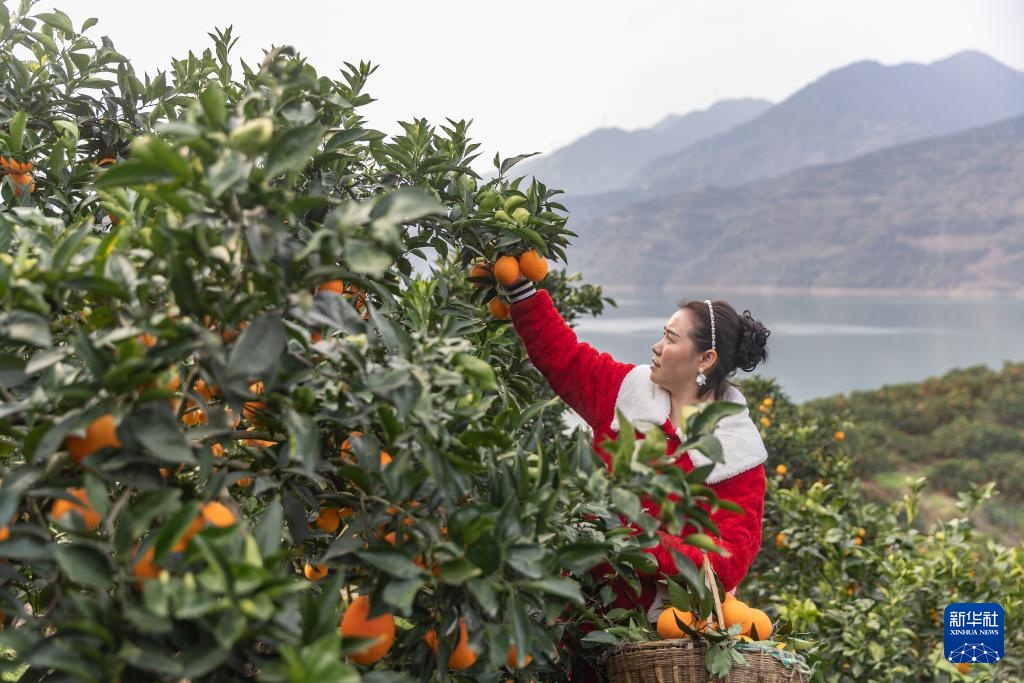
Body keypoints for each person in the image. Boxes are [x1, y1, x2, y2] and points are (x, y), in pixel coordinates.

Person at [506, 276, 772, 630]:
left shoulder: (736, 455)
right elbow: (563, 358)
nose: (656, 347)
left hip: (656, 635)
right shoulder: (627, 392)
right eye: (663, 334)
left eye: (670, 339)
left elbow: (727, 563)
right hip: (578, 611)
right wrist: (521, 290)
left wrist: (636, 542)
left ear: (705, 359)